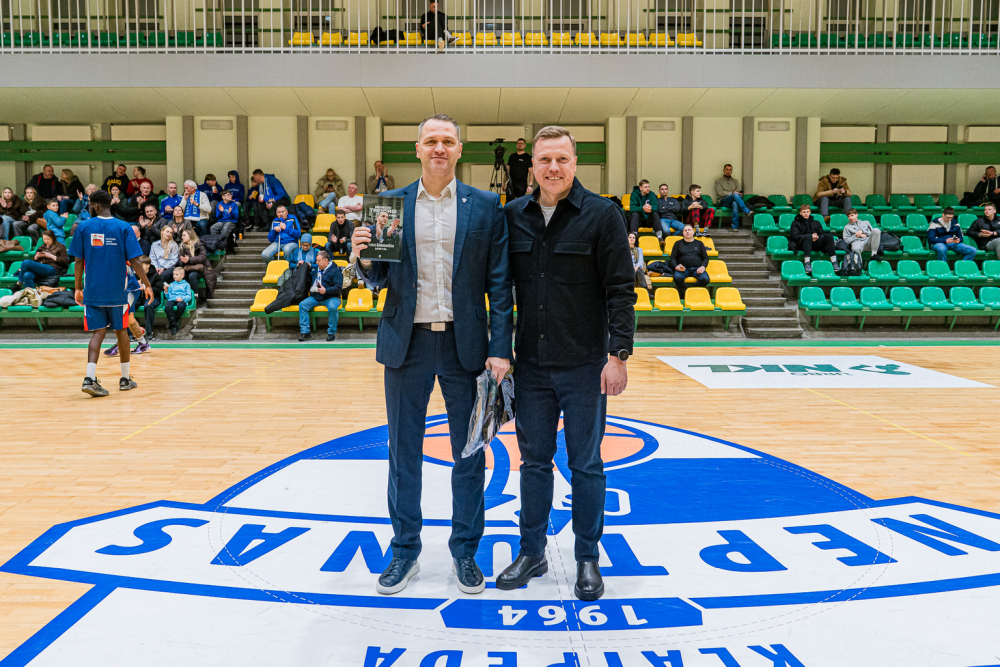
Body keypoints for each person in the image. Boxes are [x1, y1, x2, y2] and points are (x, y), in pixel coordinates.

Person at [350, 113, 513, 596]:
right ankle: (405, 551)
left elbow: (499, 284)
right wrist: (361, 257)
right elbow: (378, 279)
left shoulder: (486, 205)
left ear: (459, 149)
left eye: (447, 141)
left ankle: (465, 552)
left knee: (470, 454)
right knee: (403, 453)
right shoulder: (389, 205)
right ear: (417, 149)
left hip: (468, 346)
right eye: (431, 141)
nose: (439, 148)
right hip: (407, 345)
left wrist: (500, 348)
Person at [497, 125, 633, 603]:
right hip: (531, 367)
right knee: (533, 463)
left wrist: (618, 355)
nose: (553, 168)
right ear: (532, 166)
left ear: (575, 163)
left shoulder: (602, 214)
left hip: (585, 366)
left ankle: (587, 558)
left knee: (586, 465)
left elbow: (621, 289)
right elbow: (499, 289)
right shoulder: (512, 215)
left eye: (561, 159)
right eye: (544, 160)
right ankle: (531, 552)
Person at [69, 189, 153, 397]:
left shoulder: (83, 227)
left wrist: (78, 288)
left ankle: (89, 378)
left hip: (93, 290)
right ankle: (125, 379)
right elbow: (135, 260)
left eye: (90, 204)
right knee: (121, 330)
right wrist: (147, 284)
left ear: (95, 205)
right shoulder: (123, 227)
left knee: (98, 332)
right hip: (118, 291)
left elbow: (78, 261)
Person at [104, 247, 152, 357]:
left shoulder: (120, 256)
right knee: (130, 319)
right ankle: (143, 343)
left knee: (120, 316)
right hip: (123, 291)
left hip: (131, 290)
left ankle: (119, 345)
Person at [297, 250, 344, 342]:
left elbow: (338, 288)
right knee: (302, 305)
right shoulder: (316, 269)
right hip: (316, 297)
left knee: (332, 307)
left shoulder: (336, 271)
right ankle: (305, 333)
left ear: (326, 261)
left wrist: (326, 290)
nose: (316, 263)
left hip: (332, 297)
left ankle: (331, 333)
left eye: (319, 261)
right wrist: (300, 266)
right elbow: (306, 272)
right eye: (316, 261)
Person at [790, 203, 839, 273]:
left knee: (829, 237)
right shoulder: (795, 223)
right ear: (800, 213)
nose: (806, 214)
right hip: (802, 244)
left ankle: (834, 262)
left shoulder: (816, 222)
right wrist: (810, 236)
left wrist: (816, 237)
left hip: (815, 243)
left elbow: (822, 234)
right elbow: (795, 236)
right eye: (804, 212)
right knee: (808, 236)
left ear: (810, 212)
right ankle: (807, 263)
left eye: (807, 212)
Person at [668, 222, 710, 296]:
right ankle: (684, 295)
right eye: (685, 230)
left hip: (697, 269)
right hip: (683, 269)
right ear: (683, 233)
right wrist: (676, 267)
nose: (687, 231)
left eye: (689, 230)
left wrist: (703, 267)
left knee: (705, 279)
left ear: (693, 232)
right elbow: (673, 258)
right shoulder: (677, 243)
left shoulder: (699, 243)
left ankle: (691, 292)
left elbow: (706, 257)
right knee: (677, 277)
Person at [177, 229, 214, 299]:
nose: (182, 237)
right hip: (187, 268)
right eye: (182, 235)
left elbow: (202, 258)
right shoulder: (182, 246)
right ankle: (183, 296)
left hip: (200, 269)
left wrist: (189, 260)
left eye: (184, 235)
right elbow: (179, 260)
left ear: (190, 236)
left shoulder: (199, 244)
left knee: (192, 275)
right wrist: (183, 261)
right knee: (181, 276)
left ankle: (195, 297)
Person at [715, 164, 752, 230]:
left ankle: (734, 226)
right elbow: (720, 192)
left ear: (731, 171)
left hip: (733, 200)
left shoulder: (735, 181)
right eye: (727, 169)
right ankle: (746, 210)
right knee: (735, 195)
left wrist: (737, 194)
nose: (728, 171)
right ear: (723, 170)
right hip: (723, 201)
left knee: (735, 203)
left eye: (730, 170)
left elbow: (739, 192)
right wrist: (732, 193)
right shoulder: (718, 181)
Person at [137, 255, 165, 340]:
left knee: (148, 306)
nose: (140, 267)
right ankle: (129, 333)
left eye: (142, 265)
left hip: (153, 298)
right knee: (129, 306)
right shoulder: (136, 275)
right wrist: (136, 286)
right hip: (139, 297)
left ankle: (149, 332)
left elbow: (159, 289)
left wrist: (147, 288)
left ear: (148, 265)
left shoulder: (156, 276)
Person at [163, 266, 193, 335]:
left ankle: (172, 323)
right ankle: (174, 325)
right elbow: (168, 297)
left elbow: (189, 296)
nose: (174, 276)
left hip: (181, 300)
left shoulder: (186, 284)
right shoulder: (171, 285)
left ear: (182, 276)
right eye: (174, 274)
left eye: (177, 274)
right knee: (167, 306)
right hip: (172, 299)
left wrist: (182, 298)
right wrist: (166, 290)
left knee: (181, 306)